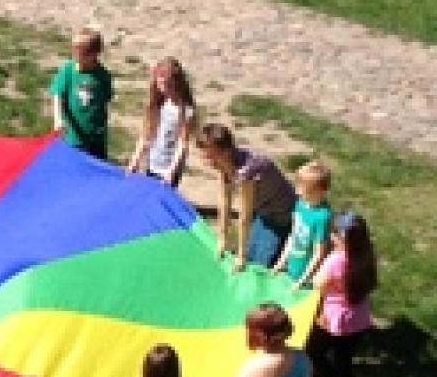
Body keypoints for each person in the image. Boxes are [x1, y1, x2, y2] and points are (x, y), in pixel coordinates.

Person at [306, 212, 378, 377]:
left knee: (314, 352)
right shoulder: (365, 255)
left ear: (342, 239)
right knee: (345, 361)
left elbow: (317, 284)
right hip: (358, 318)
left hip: (334, 320)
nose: (331, 236)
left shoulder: (336, 260)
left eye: (334, 233)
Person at [195, 123, 297, 271]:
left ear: (225, 152)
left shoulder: (247, 171)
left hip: (282, 216)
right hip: (263, 212)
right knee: (250, 255)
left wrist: (241, 256)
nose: (206, 160)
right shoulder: (223, 163)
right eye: (204, 154)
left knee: (258, 265)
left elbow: (244, 216)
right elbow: (224, 200)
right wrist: (222, 237)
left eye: (210, 156)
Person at [126, 57, 196, 187]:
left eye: (167, 85)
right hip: (151, 163)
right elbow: (146, 135)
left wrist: (172, 171)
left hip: (169, 168)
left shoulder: (186, 111)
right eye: (160, 84)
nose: (163, 89)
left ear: (177, 83)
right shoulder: (157, 105)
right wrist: (135, 161)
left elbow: (183, 144)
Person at [49, 27, 114, 159]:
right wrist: (58, 118)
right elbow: (57, 94)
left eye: (80, 53)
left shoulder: (103, 75)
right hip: (73, 137)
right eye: (74, 51)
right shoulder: (68, 71)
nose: (76, 56)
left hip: (96, 139)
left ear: (94, 54)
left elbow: (105, 100)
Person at [272, 161, 332, 291]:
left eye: (302, 188)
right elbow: (293, 236)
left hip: (307, 276)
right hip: (292, 267)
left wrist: (302, 281)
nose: (297, 192)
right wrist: (281, 262)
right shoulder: (300, 204)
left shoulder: (322, 217)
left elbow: (318, 254)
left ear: (318, 191)